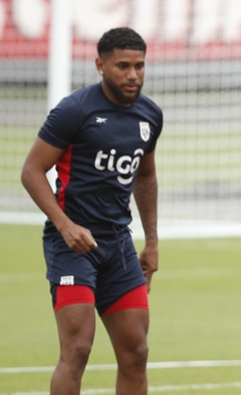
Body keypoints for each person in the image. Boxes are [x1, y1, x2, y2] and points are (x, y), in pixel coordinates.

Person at [21, 27, 161, 394]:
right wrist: (65, 225)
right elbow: (31, 171)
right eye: (123, 66)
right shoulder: (75, 110)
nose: (133, 75)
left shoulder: (149, 116)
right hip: (73, 247)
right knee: (78, 349)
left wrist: (152, 241)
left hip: (118, 246)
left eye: (140, 66)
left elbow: (145, 178)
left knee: (136, 352)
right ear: (100, 65)